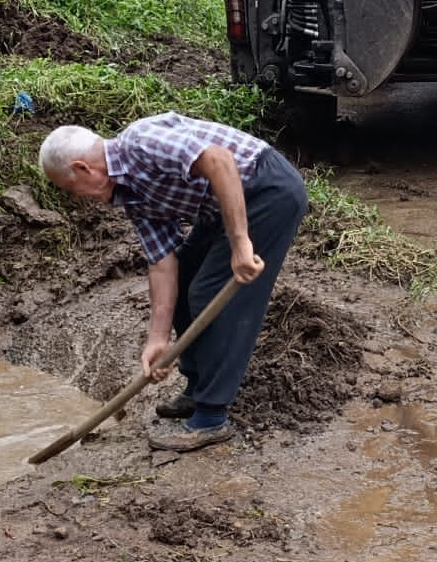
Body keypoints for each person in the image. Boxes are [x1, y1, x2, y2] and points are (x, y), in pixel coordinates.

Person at [39, 114, 307, 451]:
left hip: (265, 189)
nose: (77, 198)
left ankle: (211, 418)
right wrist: (158, 339)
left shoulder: (140, 143)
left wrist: (240, 243)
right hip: (217, 210)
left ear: (82, 169)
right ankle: (197, 390)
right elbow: (163, 264)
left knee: (210, 292)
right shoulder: (130, 197)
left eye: (70, 190)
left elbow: (219, 161)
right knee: (186, 276)